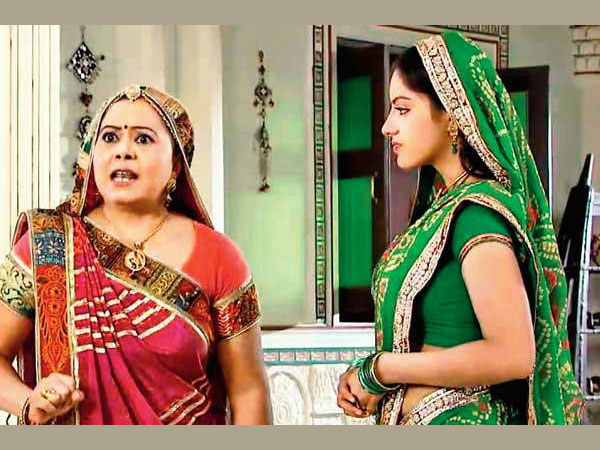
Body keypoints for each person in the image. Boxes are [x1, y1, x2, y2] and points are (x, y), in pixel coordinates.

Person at [337, 31, 583, 425]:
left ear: (452, 115)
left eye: (402, 110)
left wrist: (381, 370)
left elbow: (513, 354)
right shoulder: (441, 210)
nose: (386, 127)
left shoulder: (476, 213)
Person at [0, 85, 272, 425]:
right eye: (109, 137)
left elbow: (248, 391)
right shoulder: (50, 246)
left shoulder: (219, 257)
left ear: (176, 165)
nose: (123, 151)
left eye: (143, 139)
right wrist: (30, 402)